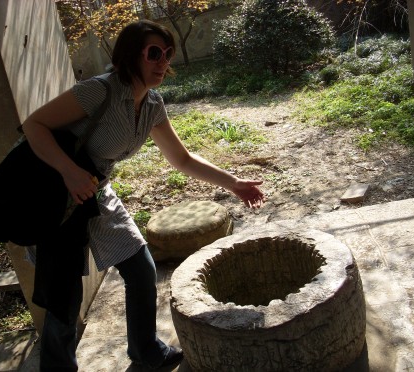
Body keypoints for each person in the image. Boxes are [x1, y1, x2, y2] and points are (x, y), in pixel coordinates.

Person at [21, 20, 265, 371]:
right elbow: (34, 125)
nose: (163, 62)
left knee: (140, 269)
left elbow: (180, 158)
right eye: (154, 53)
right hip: (59, 200)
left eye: (167, 54)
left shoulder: (151, 104)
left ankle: (145, 349)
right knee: (64, 298)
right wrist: (70, 172)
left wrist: (234, 182)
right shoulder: (98, 90)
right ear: (130, 56)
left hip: (98, 194)